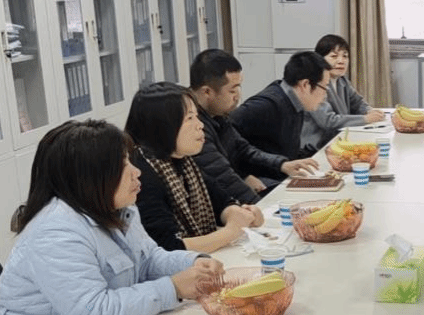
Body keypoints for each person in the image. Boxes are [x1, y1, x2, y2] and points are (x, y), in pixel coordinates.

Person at [0, 120, 224, 315]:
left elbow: (148, 259)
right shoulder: (55, 232)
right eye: (123, 165)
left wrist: (194, 263)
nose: (137, 172)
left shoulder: (116, 208)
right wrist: (173, 288)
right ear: (91, 176)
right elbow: (93, 312)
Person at [125, 82, 264, 252]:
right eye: (190, 118)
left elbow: (221, 201)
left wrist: (240, 214)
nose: (200, 125)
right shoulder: (140, 174)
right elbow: (167, 246)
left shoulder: (183, 161)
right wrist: (231, 232)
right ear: (163, 126)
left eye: (197, 116)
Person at [189, 49, 318, 201]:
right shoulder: (194, 126)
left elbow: (242, 148)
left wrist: (282, 164)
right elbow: (222, 176)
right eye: (232, 90)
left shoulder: (217, 115)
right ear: (207, 92)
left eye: (239, 88)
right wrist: (258, 205)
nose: (238, 96)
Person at [230, 51, 331, 160]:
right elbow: (225, 130)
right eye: (324, 87)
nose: (325, 95)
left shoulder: (297, 102)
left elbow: (286, 151)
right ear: (305, 85)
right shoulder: (264, 105)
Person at [300, 34, 385, 152]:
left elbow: (357, 102)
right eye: (334, 56)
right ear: (319, 60)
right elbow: (328, 121)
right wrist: (365, 119)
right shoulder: (314, 84)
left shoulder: (342, 80)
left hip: (339, 141)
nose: (341, 61)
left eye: (345, 56)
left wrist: (369, 111)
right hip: (315, 148)